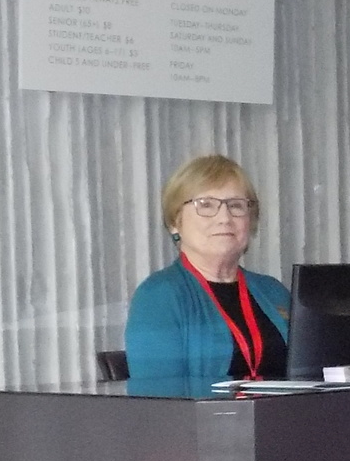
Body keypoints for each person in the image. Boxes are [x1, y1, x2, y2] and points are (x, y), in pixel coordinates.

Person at [124, 155, 292, 382]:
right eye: (206, 205)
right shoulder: (158, 297)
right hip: (203, 418)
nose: (224, 217)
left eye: (236, 205)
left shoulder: (273, 292)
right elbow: (159, 403)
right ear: (175, 221)